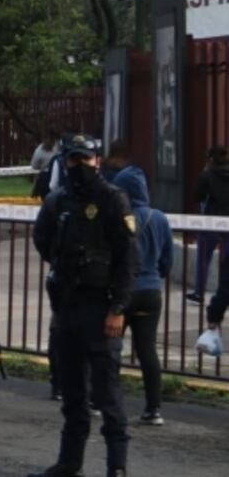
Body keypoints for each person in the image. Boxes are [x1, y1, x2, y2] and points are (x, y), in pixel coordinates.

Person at [30, 135, 138, 477]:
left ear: (97, 160)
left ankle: (116, 467)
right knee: (72, 392)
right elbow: (43, 241)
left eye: (84, 159)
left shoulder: (112, 199)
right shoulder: (58, 201)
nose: (79, 166)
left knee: (107, 394)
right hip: (67, 308)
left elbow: (128, 260)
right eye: (73, 161)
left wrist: (118, 308)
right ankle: (68, 463)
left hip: (101, 308)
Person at [112, 163, 171, 426]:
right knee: (147, 350)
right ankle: (153, 408)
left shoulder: (118, 217)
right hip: (151, 291)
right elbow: (168, 259)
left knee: (111, 347)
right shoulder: (158, 218)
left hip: (123, 292)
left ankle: (104, 401)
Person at [188, 145, 229, 303]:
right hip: (228, 222)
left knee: (204, 258)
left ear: (211, 159)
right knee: (226, 260)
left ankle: (199, 293)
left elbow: (197, 196)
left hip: (211, 221)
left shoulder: (208, 174)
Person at [32, 130, 61, 199]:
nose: (48, 141)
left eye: (51, 140)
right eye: (46, 139)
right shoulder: (38, 152)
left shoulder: (58, 147)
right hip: (44, 176)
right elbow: (34, 167)